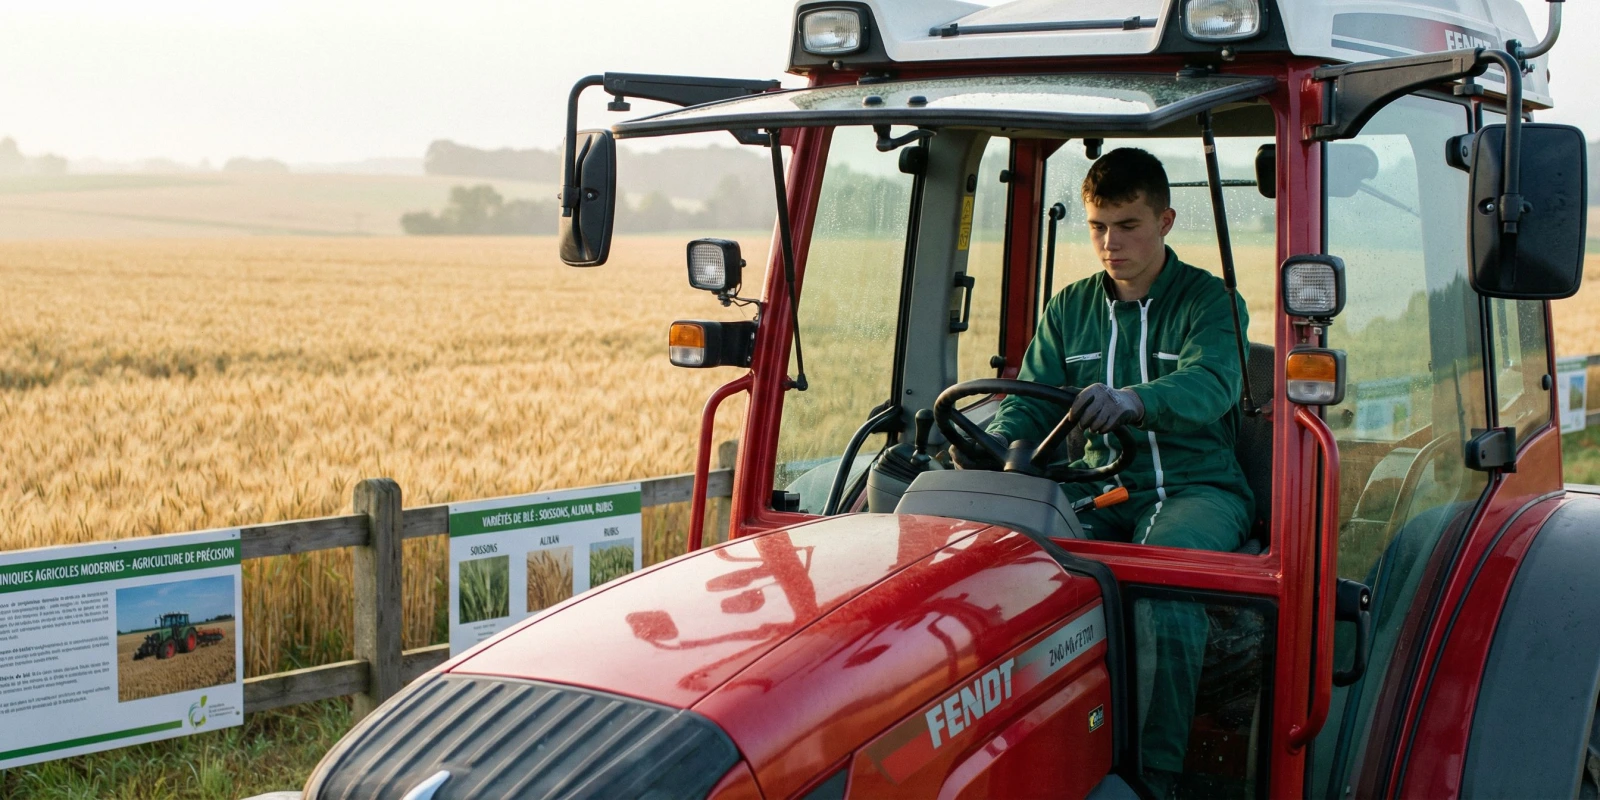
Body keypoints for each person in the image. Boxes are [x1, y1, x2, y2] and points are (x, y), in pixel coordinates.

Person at [952, 147, 1253, 793]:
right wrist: (998, 453)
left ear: (1165, 220)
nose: (1110, 243)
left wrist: (1136, 401)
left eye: (1128, 224)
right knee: (1014, 570)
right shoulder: (1071, 308)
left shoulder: (1210, 302)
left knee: (1161, 586)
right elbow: (1029, 402)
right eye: (1097, 226)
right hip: (1102, 488)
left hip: (1196, 487)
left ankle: (1156, 776)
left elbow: (1212, 383)